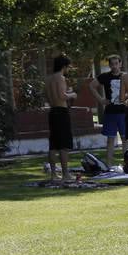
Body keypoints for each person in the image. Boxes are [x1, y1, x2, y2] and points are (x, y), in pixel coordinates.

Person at [89, 55, 128, 167]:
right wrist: (101, 100)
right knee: (110, 140)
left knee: (125, 139)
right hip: (110, 112)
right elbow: (91, 86)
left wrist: (126, 97)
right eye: (112, 64)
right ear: (109, 65)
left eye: (117, 63)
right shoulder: (105, 76)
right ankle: (109, 165)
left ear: (120, 64)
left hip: (124, 112)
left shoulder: (126, 76)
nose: (115, 66)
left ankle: (127, 163)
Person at [45, 55, 77, 183]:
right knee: (64, 145)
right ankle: (65, 174)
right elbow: (62, 96)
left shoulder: (48, 79)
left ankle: (53, 174)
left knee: (53, 145)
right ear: (64, 66)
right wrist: (72, 94)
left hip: (52, 111)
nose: (68, 69)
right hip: (61, 112)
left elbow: (49, 96)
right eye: (68, 67)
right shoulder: (61, 78)